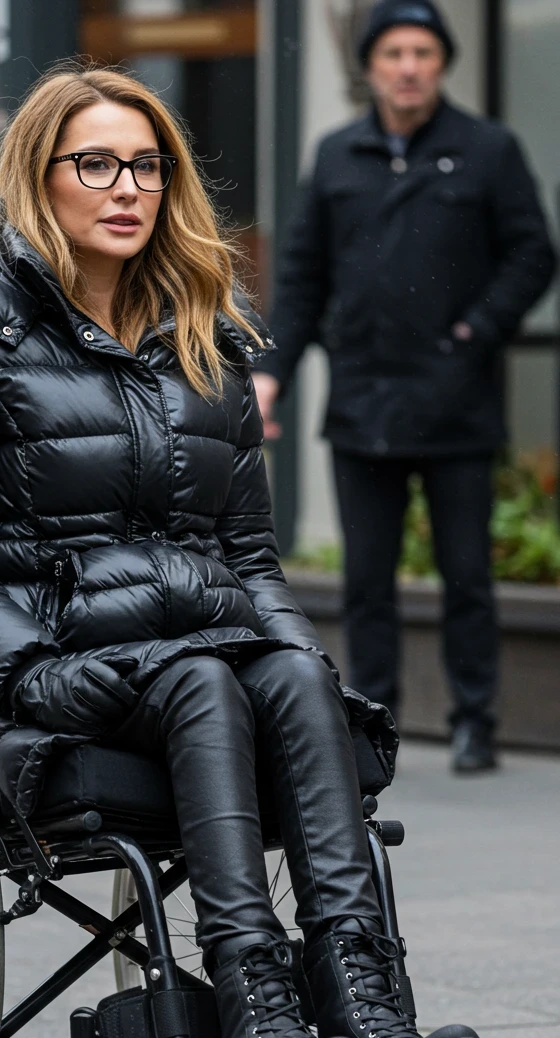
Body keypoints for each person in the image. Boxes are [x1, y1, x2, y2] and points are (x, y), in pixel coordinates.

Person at [0, 65, 489, 1038]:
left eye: (147, 166)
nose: (127, 188)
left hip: (197, 654)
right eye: (96, 164)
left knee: (292, 676)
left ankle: (371, 1012)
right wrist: (28, 671)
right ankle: (259, 1024)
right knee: (206, 678)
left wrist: (306, 671)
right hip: (49, 673)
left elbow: (247, 553)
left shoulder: (203, 340)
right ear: (38, 178)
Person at [254, 0, 556, 773]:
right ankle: (374, 724)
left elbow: (533, 254)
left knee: (467, 576)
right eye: (393, 53)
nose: (409, 67)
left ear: (443, 62)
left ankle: (475, 722)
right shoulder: (336, 155)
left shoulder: (486, 149)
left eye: (423, 52)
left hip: (458, 400)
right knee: (366, 582)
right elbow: (302, 278)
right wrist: (270, 374)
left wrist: (474, 332)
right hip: (362, 399)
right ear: (371, 66)